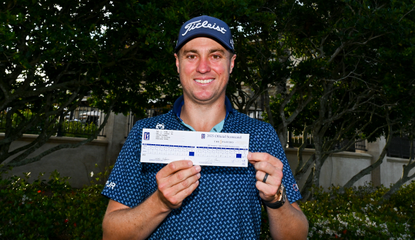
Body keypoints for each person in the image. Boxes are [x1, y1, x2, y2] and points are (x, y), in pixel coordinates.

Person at [101, 15, 308, 239]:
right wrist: (160, 202)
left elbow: (297, 235)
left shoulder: (260, 135)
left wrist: (276, 200)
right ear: (178, 63)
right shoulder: (145, 133)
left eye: (215, 55)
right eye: (191, 56)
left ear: (232, 63)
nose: (203, 67)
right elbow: (111, 234)